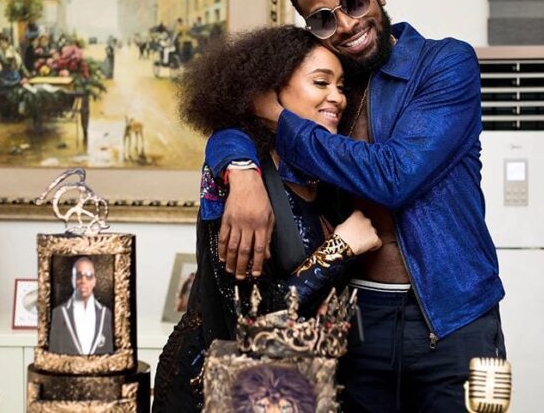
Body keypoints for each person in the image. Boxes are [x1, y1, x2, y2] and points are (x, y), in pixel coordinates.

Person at [205, 0, 506, 412]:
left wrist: (279, 117)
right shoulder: (330, 95)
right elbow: (235, 126)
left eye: (354, 1)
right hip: (355, 319)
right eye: (324, 19)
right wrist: (242, 171)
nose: (346, 24)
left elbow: (394, 176)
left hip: (453, 316)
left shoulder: (443, 63)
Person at [152, 25, 382, 413]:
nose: (337, 97)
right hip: (209, 388)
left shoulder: (325, 178)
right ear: (272, 90)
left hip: (291, 387)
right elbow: (248, 315)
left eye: (341, 86)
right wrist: (340, 249)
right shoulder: (240, 177)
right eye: (321, 82)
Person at [48, 256, 114, 355]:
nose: (83, 281)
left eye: (89, 276)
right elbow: (53, 354)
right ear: (72, 280)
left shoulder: (106, 314)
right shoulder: (59, 313)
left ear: (94, 281)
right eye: (79, 275)